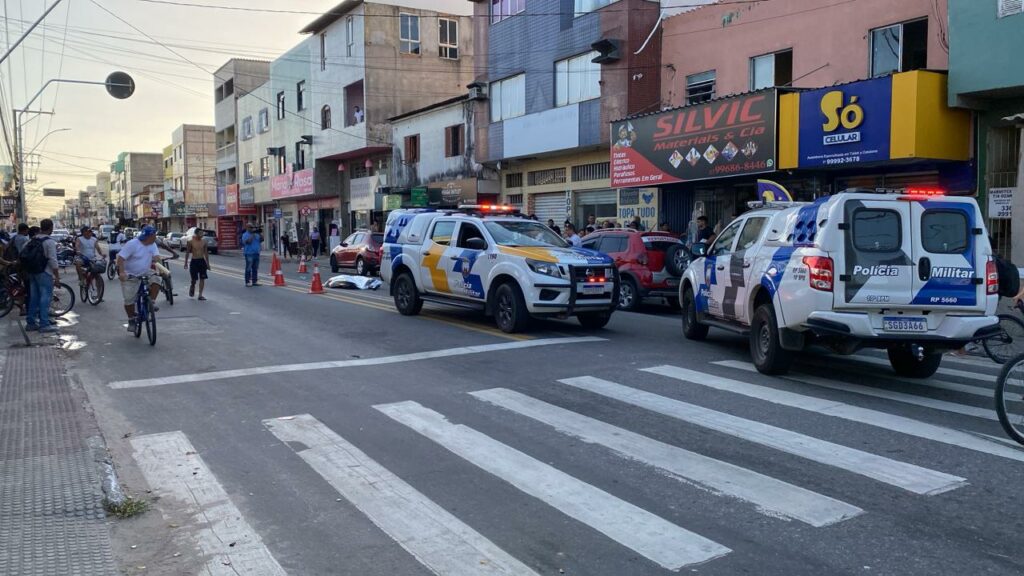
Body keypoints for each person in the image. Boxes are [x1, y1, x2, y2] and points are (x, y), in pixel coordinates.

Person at [117, 225, 162, 332]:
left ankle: (151, 302)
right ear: (149, 236)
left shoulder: (152, 244)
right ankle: (131, 319)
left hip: (145, 271)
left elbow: (157, 258)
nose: (155, 237)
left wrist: (160, 269)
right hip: (130, 274)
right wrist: (122, 272)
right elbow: (120, 259)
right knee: (129, 299)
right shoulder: (132, 244)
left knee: (157, 280)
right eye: (154, 235)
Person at [24, 219, 60, 333]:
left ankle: (31, 322)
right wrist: (57, 276)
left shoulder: (32, 239)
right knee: (45, 297)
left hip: (32, 272)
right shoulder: (49, 242)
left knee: (34, 297)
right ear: (51, 228)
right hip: (45, 272)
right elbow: (53, 260)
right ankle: (44, 324)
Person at [183, 228, 210, 300]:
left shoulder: (204, 241)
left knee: (202, 278)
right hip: (194, 261)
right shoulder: (190, 241)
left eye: (202, 233)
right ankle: (193, 285)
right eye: (200, 233)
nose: (202, 234)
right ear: (196, 234)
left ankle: (200, 295)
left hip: (202, 261)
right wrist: (185, 263)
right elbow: (187, 252)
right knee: (194, 279)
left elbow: (206, 253)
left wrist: (208, 264)